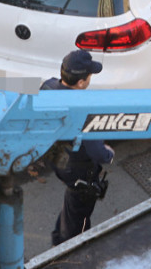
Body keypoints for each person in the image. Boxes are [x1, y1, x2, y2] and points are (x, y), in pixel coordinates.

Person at [41, 49, 115, 245]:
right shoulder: (83, 110)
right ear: (81, 82)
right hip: (80, 173)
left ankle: (59, 239)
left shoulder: (48, 87)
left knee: (71, 209)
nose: (91, 78)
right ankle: (68, 254)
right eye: (90, 75)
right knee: (78, 223)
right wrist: (109, 154)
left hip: (60, 161)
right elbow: (97, 152)